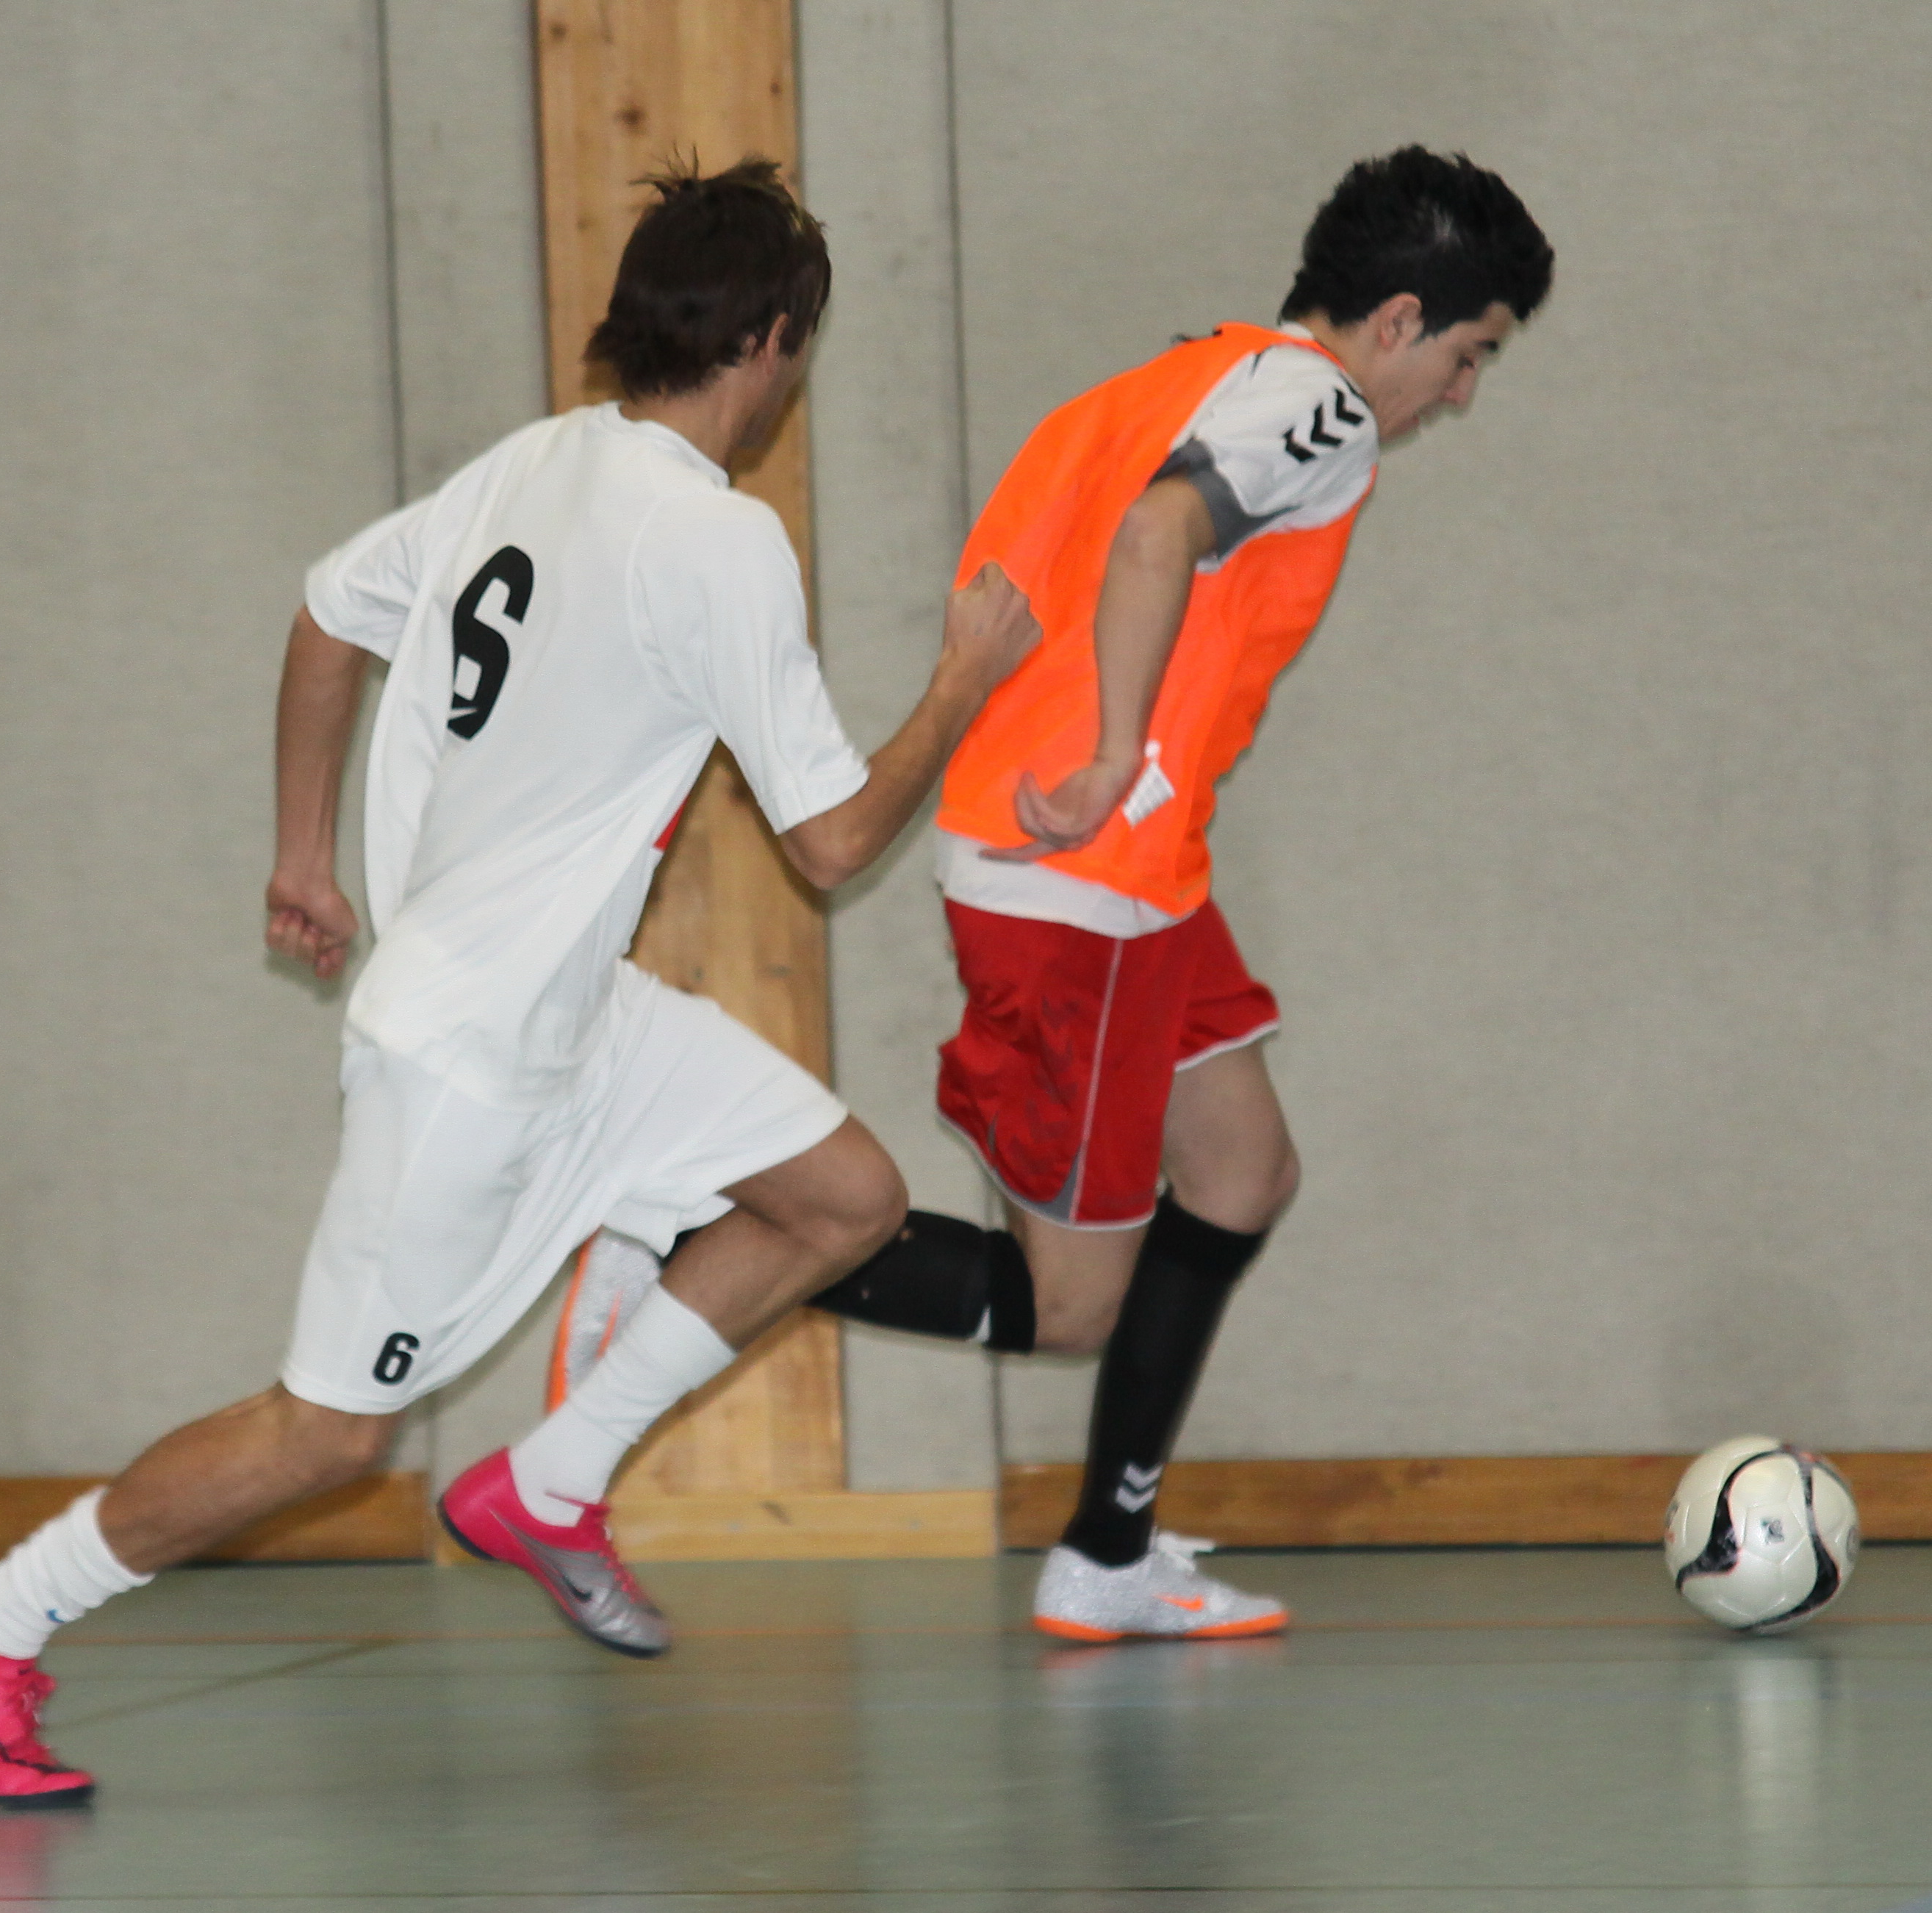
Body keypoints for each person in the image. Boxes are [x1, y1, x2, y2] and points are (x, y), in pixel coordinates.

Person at [0, 157, 1038, 1807]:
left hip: (578, 1019)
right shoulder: (719, 540)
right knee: (332, 1436)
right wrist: (963, 683)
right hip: (470, 1052)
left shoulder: (534, 463)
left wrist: (303, 853)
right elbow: (835, 843)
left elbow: (324, 615)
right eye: (799, 347)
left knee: (840, 1197)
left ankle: (548, 1484)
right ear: (772, 342)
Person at [556, 147, 1554, 1644]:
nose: (1460, 393)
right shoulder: (1326, 411)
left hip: (1133, 872)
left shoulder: (1170, 376)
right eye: (1469, 354)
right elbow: (1158, 535)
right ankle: (684, 1225)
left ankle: (1108, 1550)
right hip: (1079, 876)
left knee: (1240, 1171)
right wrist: (1108, 759)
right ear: (1398, 320)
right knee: (1071, 1301)